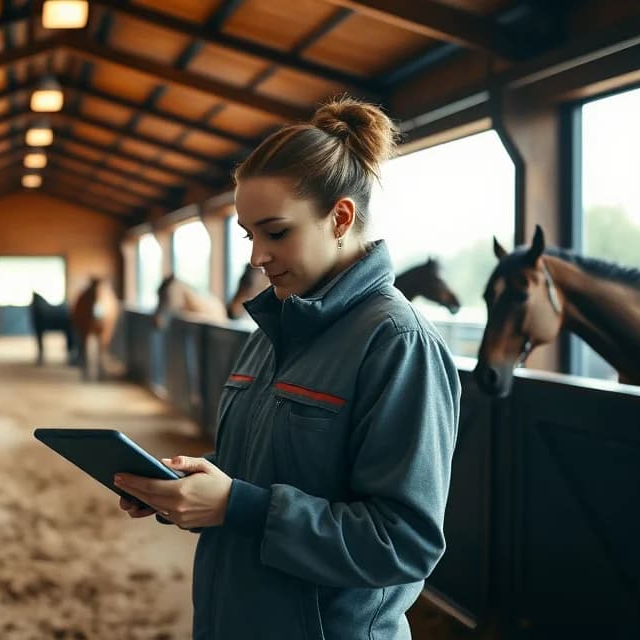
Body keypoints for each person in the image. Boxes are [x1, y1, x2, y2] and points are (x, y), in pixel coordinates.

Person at [113, 97, 461, 639]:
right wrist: (180, 485)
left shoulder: (396, 341)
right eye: (250, 235)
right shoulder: (270, 332)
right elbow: (260, 468)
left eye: (276, 233)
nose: (256, 257)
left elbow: (403, 542)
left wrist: (237, 506)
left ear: (340, 217)